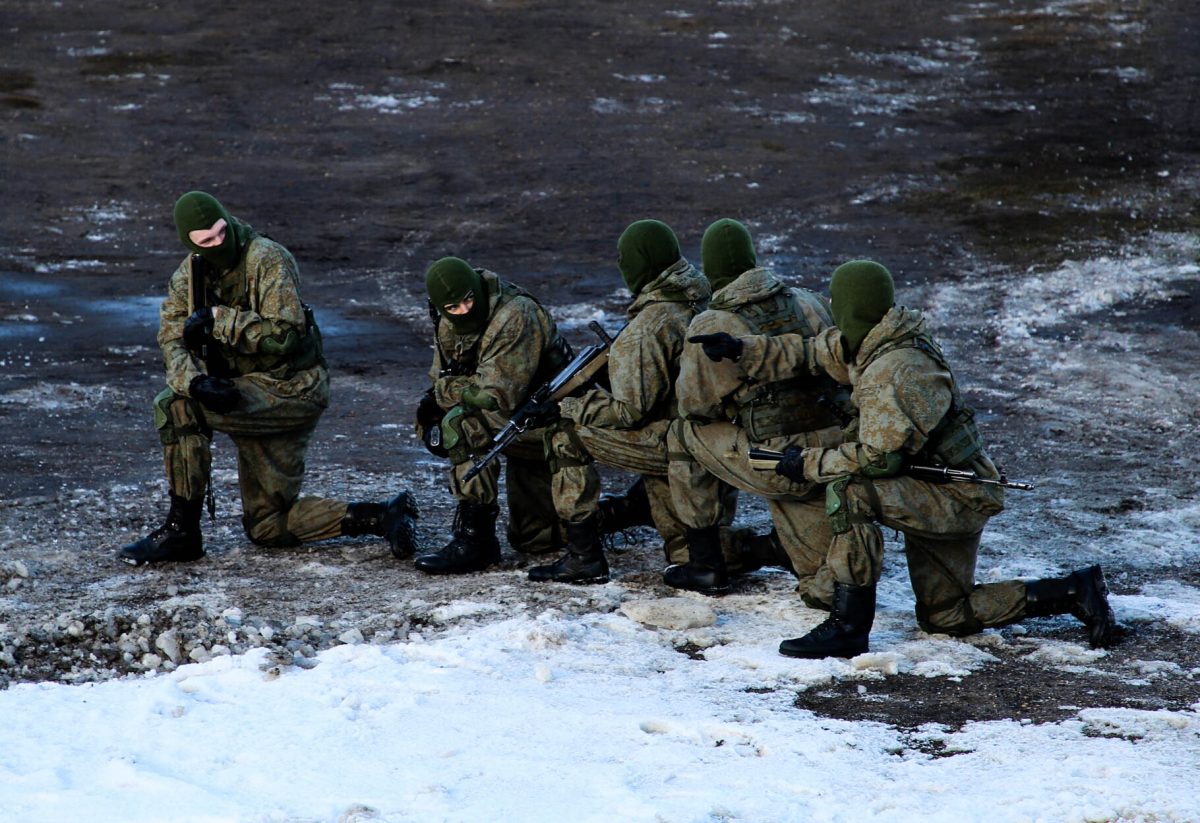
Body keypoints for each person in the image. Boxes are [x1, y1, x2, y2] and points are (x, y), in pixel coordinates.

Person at [691, 259, 1116, 657]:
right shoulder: (875, 339)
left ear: (854, 306)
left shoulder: (897, 369)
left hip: (953, 495)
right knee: (947, 616)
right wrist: (741, 348)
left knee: (853, 491)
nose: (833, 310)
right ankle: (1074, 591)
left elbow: (878, 460)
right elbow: (810, 352)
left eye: (838, 302)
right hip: (939, 486)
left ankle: (848, 627)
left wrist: (805, 462)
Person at [119, 191, 417, 566]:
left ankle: (182, 532)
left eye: (221, 232)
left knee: (175, 407)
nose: (217, 244)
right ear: (190, 243)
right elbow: (171, 340)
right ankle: (382, 515)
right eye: (205, 240)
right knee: (268, 527)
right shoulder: (188, 277)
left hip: (292, 389)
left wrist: (219, 320)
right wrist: (195, 382)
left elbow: (286, 334)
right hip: (246, 392)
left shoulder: (267, 258)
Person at [528, 218, 727, 584]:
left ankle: (582, 558)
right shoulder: (703, 295)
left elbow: (629, 411)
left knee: (564, 433)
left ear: (641, 263)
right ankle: (770, 548)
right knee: (684, 554)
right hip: (713, 434)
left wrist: (566, 407)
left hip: (676, 440)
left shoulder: (649, 325)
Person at [667, 218, 845, 598]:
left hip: (776, 460)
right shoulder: (808, 300)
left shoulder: (715, 323)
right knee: (822, 587)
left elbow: (695, 405)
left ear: (712, 269)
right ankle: (770, 547)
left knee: (684, 431)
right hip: (830, 451)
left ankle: (705, 562)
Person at [413, 256, 567, 574]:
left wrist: (445, 394)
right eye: (453, 307)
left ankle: (475, 543)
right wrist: (433, 408)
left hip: (556, 421)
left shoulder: (515, 314)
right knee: (534, 539)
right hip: (518, 423)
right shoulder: (446, 322)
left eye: (469, 300)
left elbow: (494, 396)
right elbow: (442, 377)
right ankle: (479, 536)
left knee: (462, 424)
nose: (464, 311)